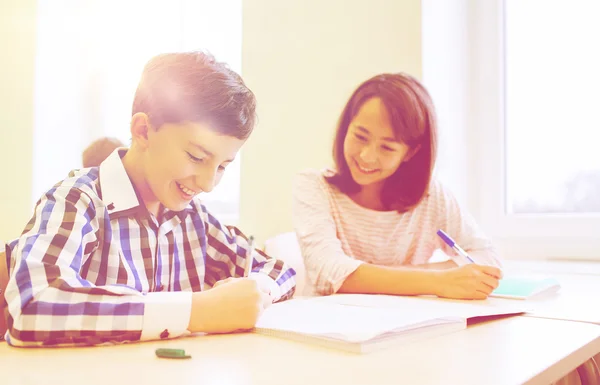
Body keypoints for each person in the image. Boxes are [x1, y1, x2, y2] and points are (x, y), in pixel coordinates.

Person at [3, 51, 296, 347]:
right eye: (196, 156)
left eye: (222, 166)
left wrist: (254, 291)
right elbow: (32, 305)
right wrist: (196, 311)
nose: (208, 184)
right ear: (143, 130)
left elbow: (279, 270)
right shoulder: (78, 201)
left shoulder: (194, 218)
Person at [292, 73, 501, 299]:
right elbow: (328, 272)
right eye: (360, 137)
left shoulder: (431, 196)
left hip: (406, 325)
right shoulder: (314, 186)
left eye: (387, 148)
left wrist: (399, 278)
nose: (367, 156)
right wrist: (438, 281)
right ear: (346, 128)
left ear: (410, 152)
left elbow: (487, 259)